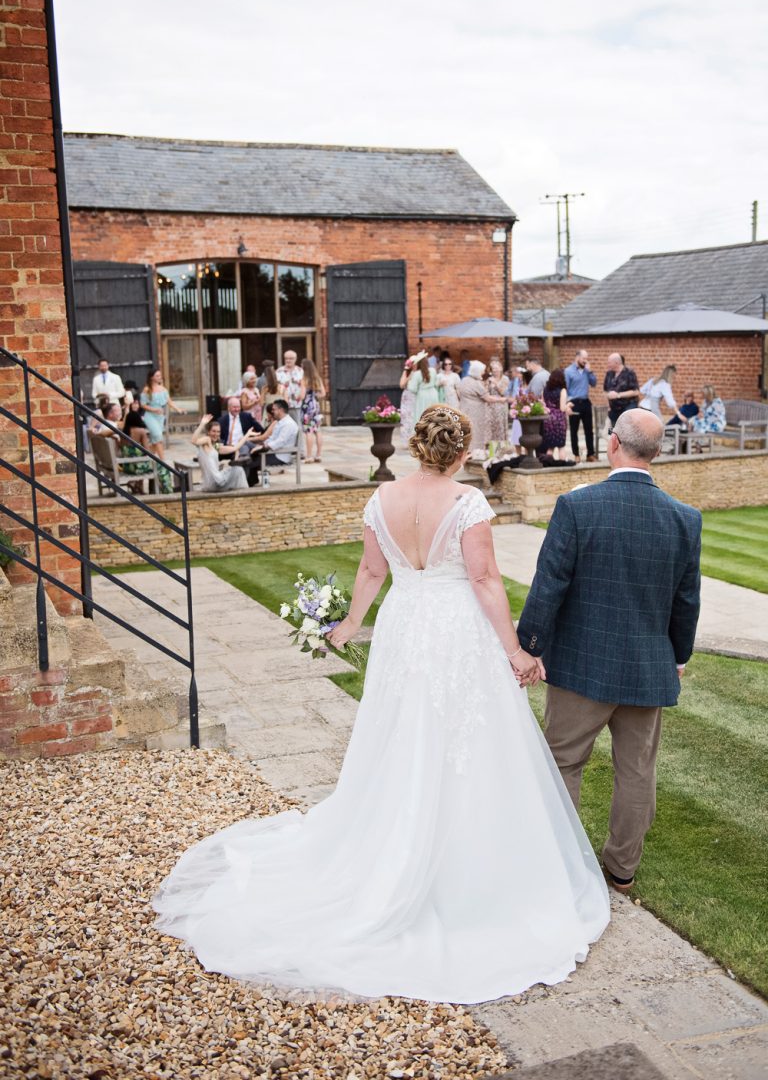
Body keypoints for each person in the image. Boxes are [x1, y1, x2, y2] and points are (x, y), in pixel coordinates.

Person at [153, 404, 609, 1002]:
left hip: (404, 624)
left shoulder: (382, 498)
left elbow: (371, 570)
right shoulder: (469, 503)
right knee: (464, 735)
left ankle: (397, 834)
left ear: (416, 447)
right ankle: (469, 867)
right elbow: (483, 580)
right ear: (462, 452)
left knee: (402, 727)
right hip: (453, 627)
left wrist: (348, 625)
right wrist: (515, 650)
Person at [517, 409, 701, 895]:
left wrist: (529, 645)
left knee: (563, 763)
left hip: (581, 665)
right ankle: (622, 870)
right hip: (647, 669)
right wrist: (678, 657)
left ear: (613, 444)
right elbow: (687, 603)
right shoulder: (685, 519)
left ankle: (560, 865)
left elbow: (548, 585)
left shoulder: (577, 506)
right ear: (655, 453)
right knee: (637, 770)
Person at [190, 415, 253, 492]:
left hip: (213, 482)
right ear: (208, 432)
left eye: (218, 432)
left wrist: (247, 434)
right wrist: (202, 424)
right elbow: (193, 441)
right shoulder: (206, 440)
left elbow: (235, 448)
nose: (216, 434)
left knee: (238, 469)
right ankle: (245, 495)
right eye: (213, 431)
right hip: (215, 482)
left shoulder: (216, 446)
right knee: (238, 470)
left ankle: (243, 495)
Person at [120, 406, 172, 494]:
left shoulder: (123, 432)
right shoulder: (141, 431)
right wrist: (154, 447)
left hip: (127, 467)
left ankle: (140, 486)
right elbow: (147, 452)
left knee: (149, 463)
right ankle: (167, 491)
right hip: (137, 467)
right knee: (162, 467)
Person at [460, 360, 507, 453]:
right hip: (477, 412)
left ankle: (494, 451)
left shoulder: (464, 380)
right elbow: (487, 398)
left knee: (471, 433)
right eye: (482, 370)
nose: (483, 372)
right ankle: (477, 453)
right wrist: (501, 400)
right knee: (477, 434)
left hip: (467, 410)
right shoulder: (476, 382)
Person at [140, 370, 184, 462]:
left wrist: (179, 409)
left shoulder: (163, 389)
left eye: (160, 375)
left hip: (160, 417)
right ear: (152, 377)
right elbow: (143, 404)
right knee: (158, 436)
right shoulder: (147, 389)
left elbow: (170, 402)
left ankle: (146, 458)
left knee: (156, 441)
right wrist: (154, 409)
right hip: (150, 416)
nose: (160, 377)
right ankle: (163, 462)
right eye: (157, 375)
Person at [564, 350, 597, 462]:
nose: (585, 361)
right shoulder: (568, 371)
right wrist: (567, 404)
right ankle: (576, 454)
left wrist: (590, 371)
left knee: (589, 430)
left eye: (586, 358)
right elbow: (565, 389)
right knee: (574, 430)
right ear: (577, 357)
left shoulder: (587, 371)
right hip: (574, 403)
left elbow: (594, 383)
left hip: (586, 402)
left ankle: (590, 454)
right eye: (584, 358)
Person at [249, 398, 300, 472]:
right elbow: (272, 438)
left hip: (280, 456)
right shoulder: (281, 422)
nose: (272, 412)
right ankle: (252, 481)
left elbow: (280, 441)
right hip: (273, 452)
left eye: (274, 409)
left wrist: (263, 447)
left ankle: (248, 481)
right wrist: (261, 445)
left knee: (249, 463)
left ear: (280, 410)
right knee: (248, 451)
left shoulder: (289, 424)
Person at [276, 351, 305, 454]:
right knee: (283, 427)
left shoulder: (300, 371)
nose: (288, 360)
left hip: (296, 404)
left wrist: (302, 395)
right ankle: (285, 451)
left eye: (291, 358)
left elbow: (303, 386)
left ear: (295, 359)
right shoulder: (279, 371)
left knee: (298, 427)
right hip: (283, 405)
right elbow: (277, 387)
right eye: (286, 358)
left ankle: (300, 451)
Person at [539, 368, 570, 459]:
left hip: (548, 419)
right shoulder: (562, 390)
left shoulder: (545, 390)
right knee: (561, 447)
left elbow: (543, 404)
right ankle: (561, 465)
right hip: (559, 419)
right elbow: (562, 408)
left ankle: (548, 462)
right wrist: (569, 405)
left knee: (550, 446)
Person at [603, 353, 640, 429]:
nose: (608, 364)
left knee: (626, 431)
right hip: (613, 409)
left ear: (616, 362)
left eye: (609, 362)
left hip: (627, 407)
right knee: (614, 432)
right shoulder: (609, 373)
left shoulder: (629, 373)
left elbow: (636, 391)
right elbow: (605, 390)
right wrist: (608, 404)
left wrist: (618, 395)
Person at [300, 357, 326, 463]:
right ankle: (318, 455)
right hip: (315, 405)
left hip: (307, 406)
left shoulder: (304, 379)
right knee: (317, 430)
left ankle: (309, 456)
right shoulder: (317, 378)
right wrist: (314, 395)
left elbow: (302, 396)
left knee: (308, 431)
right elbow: (323, 393)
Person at [406, 354, 440, 422]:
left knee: (422, 414)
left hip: (422, 396)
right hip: (433, 393)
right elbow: (436, 383)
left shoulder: (417, 374)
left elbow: (412, 389)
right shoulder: (433, 370)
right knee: (433, 413)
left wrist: (409, 381)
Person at [486, 356, 510, 446]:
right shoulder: (489, 380)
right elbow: (486, 393)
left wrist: (496, 384)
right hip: (491, 407)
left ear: (501, 368)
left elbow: (504, 393)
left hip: (501, 407)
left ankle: (502, 448)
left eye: (496, 368)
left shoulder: (505, 379)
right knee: (492, 428)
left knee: (501, 427)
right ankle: (492, 449)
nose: (495, 370)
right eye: (493, 369)